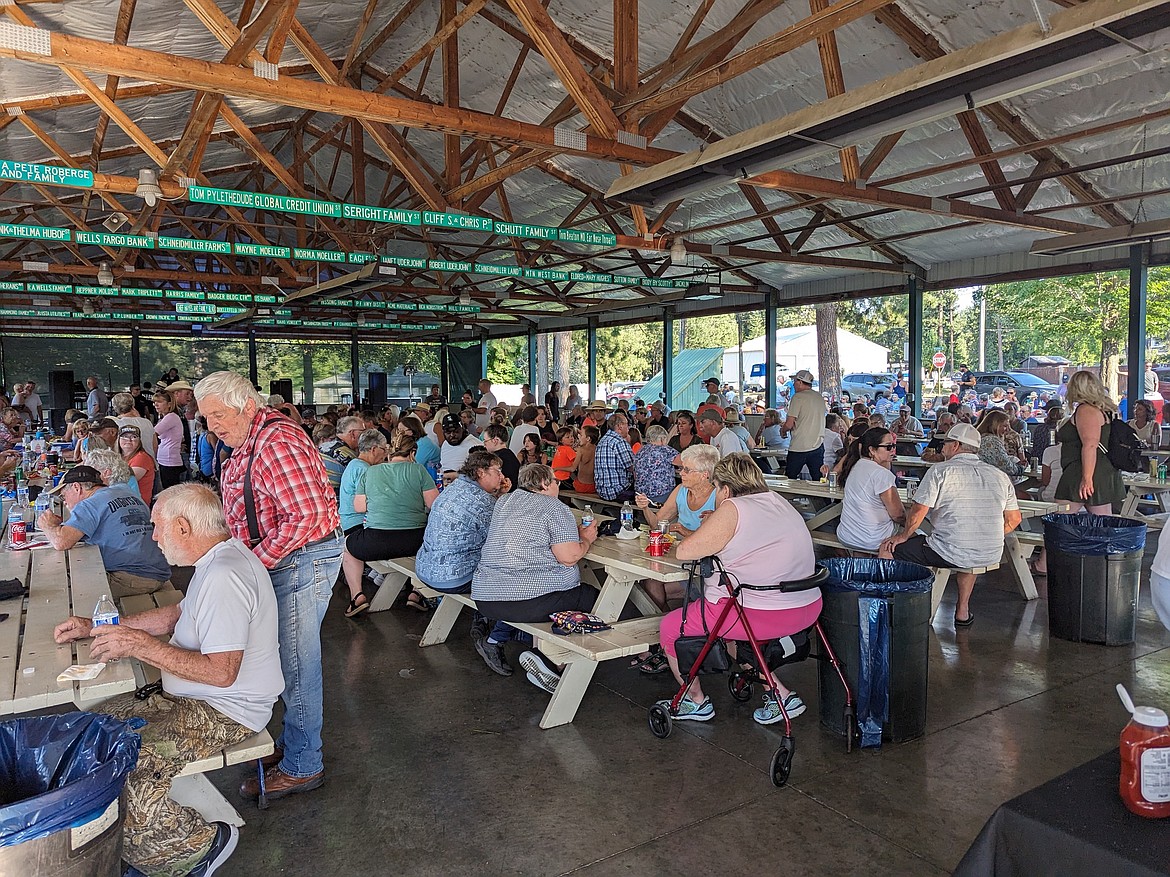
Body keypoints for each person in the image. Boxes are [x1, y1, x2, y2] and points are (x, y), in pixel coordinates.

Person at [53, 484, 282, 877]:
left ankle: (197, 848)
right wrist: (99, 628)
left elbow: (221, 673)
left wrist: (140, 646)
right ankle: (136, 845)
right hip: (188, 698)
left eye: (157, 527)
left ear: (182, 527)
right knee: (86, 733)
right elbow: (178, 615)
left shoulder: (225, 574)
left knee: (124, 774)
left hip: (225, 711)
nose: (153, 536)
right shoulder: (219, 557)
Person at [195, 370, 342, 801]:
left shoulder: (276, 441)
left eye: (218, 415)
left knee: (297, 665)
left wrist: (251, 566)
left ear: (244, 405)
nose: (212, 426)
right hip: (283, 558)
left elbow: (307, 516)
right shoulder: (248, 441)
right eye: (206, 418)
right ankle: (296, 745)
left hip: (297, 560)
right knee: (285, 661)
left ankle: (303, 764)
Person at [656, 453, 821, 724]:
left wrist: (710, 524)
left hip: (760, 614)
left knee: (672, 627)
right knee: (732, 632)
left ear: (726, 488)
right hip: (806, 607)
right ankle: (779, 693)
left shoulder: (734, 507)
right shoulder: (777, 500)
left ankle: (695, 700)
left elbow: (684, 552)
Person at [471, 464, 599, 692]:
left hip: (486, 599)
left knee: (558, 597)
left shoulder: (505, 501)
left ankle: (546, 659)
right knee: (594, 599)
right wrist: (586, 538)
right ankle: (553, 660)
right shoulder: (554, 507)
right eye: (556, 481)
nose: (558, 485)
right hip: (528, 602)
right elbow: (569, 557)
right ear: (544, 484)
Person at [880, 424, 1021, 627]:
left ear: (955, 445)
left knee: (888, 548)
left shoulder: (940, 471)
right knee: (966, 553)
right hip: (990, 551)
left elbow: (919, 511)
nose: (941, 447)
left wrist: (903, 536)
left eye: (944, 443)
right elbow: (1014, 519)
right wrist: (988, 535)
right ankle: (962, 610)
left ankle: (886, 606)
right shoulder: (999, 475)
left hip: (949, 550)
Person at [37, 465, 173, 598]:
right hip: (158, 571)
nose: (65, 502)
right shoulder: (126, 493)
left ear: (76, 487)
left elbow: (61, 542)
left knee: (61, 588)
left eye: (63, 496)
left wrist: (47, 525)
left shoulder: (89, 504)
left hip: (132, 578)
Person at [341, 434, 438, 617]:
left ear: (389, 452)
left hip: (376, 541)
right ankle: (416, 593)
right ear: (413, 453)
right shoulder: (418, 470)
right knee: (431, 546)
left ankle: (357, 596)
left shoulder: (371, 472)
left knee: (348, 547)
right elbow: (435, 504)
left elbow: (359, 507)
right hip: (413, 541)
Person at [1054, 370, 1125, 515]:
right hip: (1101, 470)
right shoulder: (1103, 410)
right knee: (1103, 524)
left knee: (1060, 523)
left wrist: (1086, 478)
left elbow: (1090, 445)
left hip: (1082, 471)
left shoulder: (1086, 410)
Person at [836, 428, 906, 552]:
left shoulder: (856, 465)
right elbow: (898, 515)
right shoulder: (881, 475)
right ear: (872, 450)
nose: (893, 450)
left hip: (846, 535)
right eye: (888, 447)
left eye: (894, 445)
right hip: (873, 540)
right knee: (916, 534)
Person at [339, 427, 389, 542]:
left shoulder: (354, 464)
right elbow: (372, 503)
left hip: (347, 522)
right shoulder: (365, 469)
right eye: (384, 449)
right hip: (357, 524)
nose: (385, 454)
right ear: (374, 449)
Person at [783, 369, 826, 479]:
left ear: (800, 382)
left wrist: (782, 430)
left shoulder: (797, 398)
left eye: (795, 381)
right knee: (818, 480)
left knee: (789, 480)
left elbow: (789, 424)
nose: (793, 384)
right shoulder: (819, 397)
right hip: (817, 444)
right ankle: (820, 497)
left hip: (799, 446)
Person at [593, 410, 635, 501]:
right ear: (620, 426)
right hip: (618, 490)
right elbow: (632, 467)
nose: (628, 427)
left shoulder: (603, 440)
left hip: (602, 490)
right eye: (627, 424)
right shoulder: (619, 442)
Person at [632, 425, 677, 505]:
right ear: (662, 439)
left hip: (640, 495)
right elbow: (685, 461)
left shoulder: (641, 450)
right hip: (660, 495)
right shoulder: (665, 450)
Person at [154, 389, 187, 489]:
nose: (156, 404)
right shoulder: (166, 418)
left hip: (169, 460)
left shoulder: (171, 417)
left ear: (169, 404)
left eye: (159, 402)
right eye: (155, 402)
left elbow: (153, 433)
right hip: (166, 459)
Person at [118, 424, 156, 505]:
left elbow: (125, 481)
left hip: (138, 505)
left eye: (134, 437)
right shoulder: (119, 457)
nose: (129, 440)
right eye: (124, 436)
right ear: (119, 439)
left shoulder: (142, 457)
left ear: (139, 441)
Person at [112, 392, 158, 459]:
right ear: (133, 405)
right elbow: (155, 446)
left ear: (115, 407)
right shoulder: (147, 422)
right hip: (149, 462)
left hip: (126, 465)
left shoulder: (115, 424)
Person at [977, 409, 1022, 476]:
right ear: (996, 425)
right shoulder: (992, 441)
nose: (1007, 429)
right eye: (1005, 426)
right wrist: (1020, 468)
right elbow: (1006, 467)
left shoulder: (980, 436)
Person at [572, 425, 598, 493]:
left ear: (588, 438)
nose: (578, 436)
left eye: (581, 435)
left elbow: (572, 468)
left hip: (581, 486)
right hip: (594, 486)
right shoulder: (597, 448)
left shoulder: (581, 450)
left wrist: (557, 468)